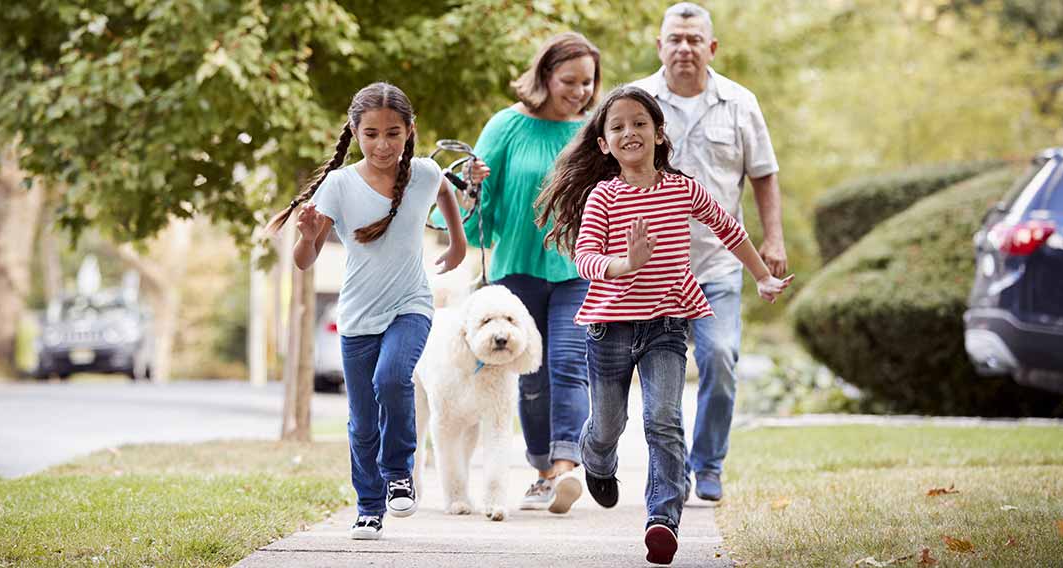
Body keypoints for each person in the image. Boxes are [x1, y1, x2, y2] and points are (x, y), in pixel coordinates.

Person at [535, 86, 792, 565]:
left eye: (639, 123)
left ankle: (662, 519)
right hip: (610, 326)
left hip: (666, 325)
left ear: (658, 133)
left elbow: (729, 228)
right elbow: (586, 257)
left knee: (664, 420)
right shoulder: (602, 196)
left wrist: (761, 276)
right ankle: (597, 460)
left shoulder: (682, 188)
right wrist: (624, 264)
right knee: (608, 424)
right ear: (604, 145)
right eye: (617, 127)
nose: (629, 132)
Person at [265, 82, 482, 541]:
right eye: (371, 134)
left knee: (392, 379)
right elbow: (306, 261)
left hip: (411, 304)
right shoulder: (339, 185)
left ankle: (400, 473)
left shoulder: (423, 172)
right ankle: (368, 506)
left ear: (409, 131)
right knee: (362, 421)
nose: (382, 144)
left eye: (392, 133)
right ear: (355, 132)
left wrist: (458, 243)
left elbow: (445, 192)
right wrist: (305, 237)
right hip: (358, 317)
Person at [633, 2, 788, 503]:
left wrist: (773, 239)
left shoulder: (741, 103)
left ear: (711, 47)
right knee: (660, 379)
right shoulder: (637, 103)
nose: (683, 48)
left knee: (720, 358)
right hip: (654, 269)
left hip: (720, 262)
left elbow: (763, 173)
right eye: (674, 39)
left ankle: (709, 463)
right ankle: (670, 473)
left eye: (694, 39)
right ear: (660, 46)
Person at [464, 31, 601, 514]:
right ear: (545, 76)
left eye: (588, 82)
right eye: (570, 80)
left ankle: (566, 467)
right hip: (517, 270)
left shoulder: (592, 134)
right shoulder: (506, 126)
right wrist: (471, 186)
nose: (581, 91)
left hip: (576, 270)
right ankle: (542, 469)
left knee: (568, 364)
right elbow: (475, 203)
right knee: (532, 375)